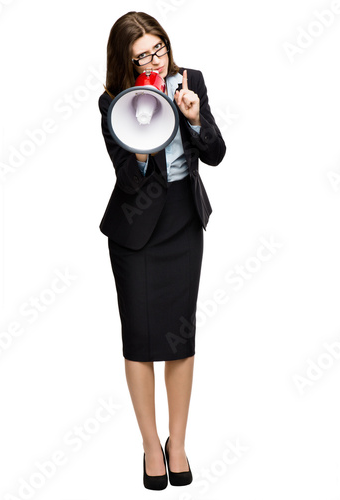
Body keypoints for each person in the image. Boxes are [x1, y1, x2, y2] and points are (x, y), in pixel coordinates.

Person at [98, 11, 226, 490]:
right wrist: (141, 141)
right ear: (126, 64)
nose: (154, 60)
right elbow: (128, 182)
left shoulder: (191, 82)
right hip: (135, 231)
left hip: (182, 222)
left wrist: (193, 118)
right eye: (141, 56)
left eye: (159, 49)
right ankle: (151, 445)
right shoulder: (114, 101)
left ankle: (178, 442)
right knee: (139, 340)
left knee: (178, 338)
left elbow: (215, 153)